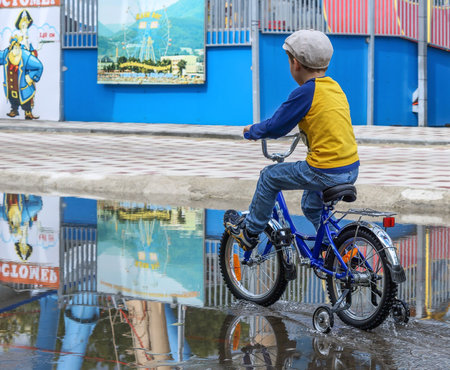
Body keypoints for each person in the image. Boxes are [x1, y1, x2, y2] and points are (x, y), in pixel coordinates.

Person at [224, 29, 359, 251]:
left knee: (269, 177)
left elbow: (277, 126)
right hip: (351, 168)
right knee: (310, 205)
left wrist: (253, 131)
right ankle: (338, 248)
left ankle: (249, 233)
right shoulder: (335, 88)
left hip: (324, 170)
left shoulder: (305, 92)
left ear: (295, 63)